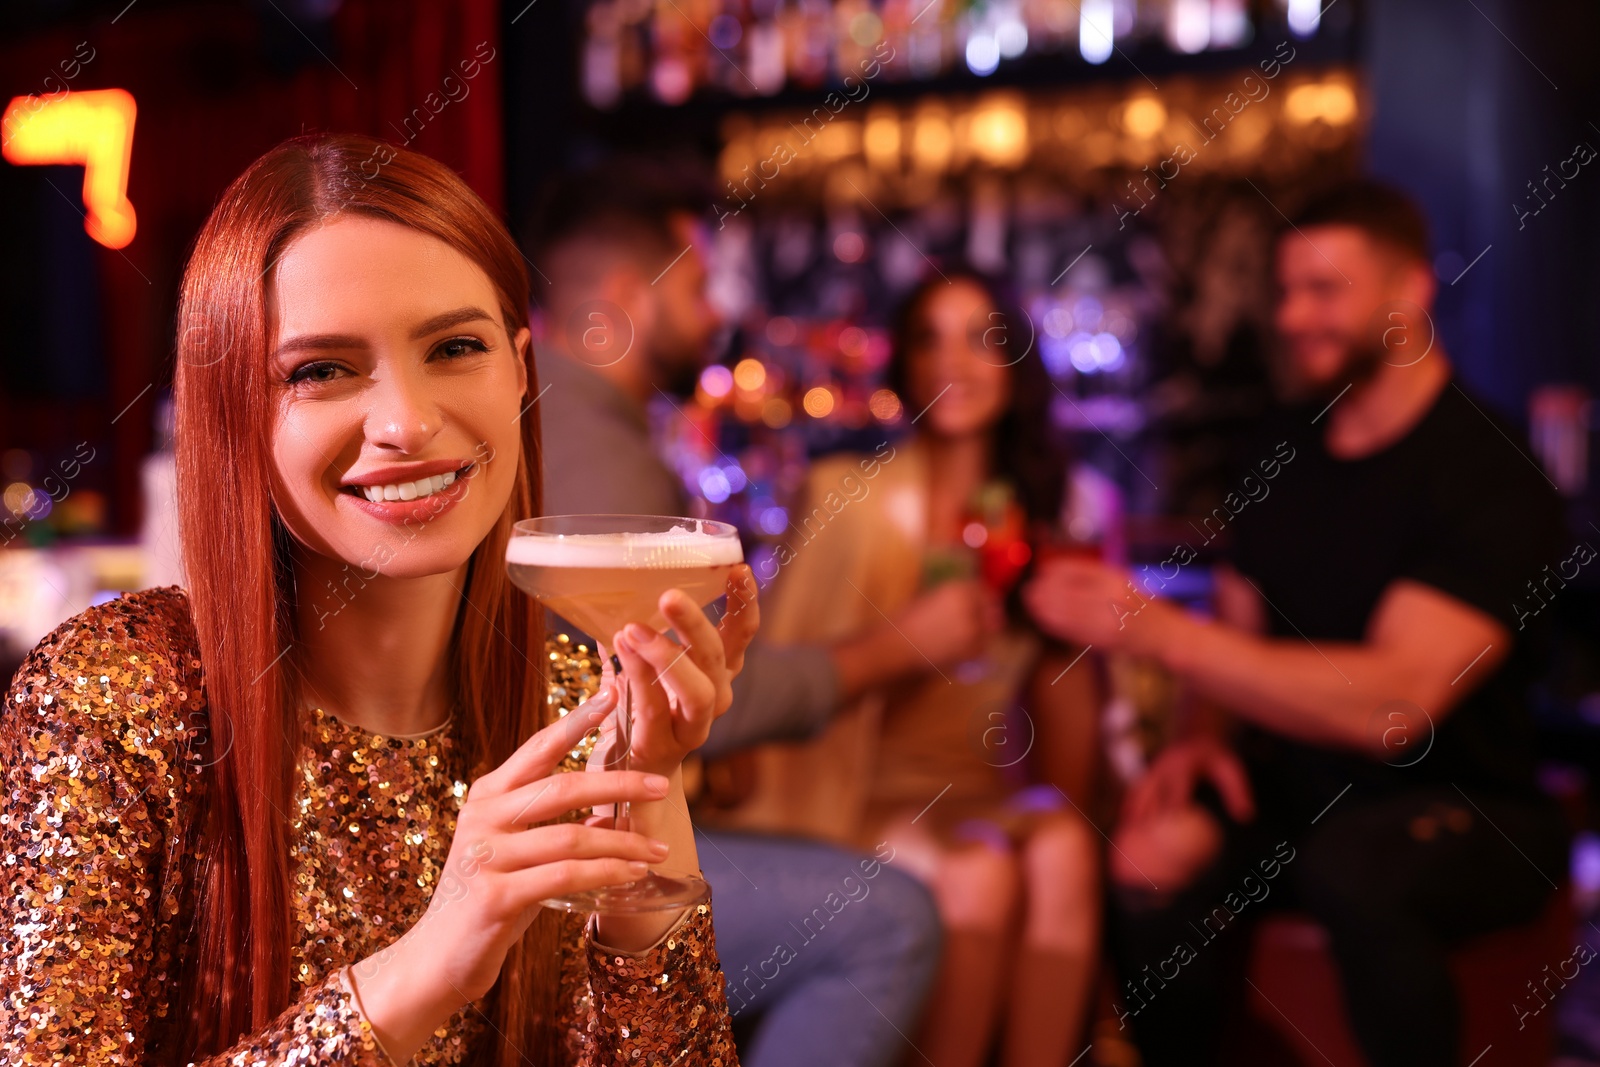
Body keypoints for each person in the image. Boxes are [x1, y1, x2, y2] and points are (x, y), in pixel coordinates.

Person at [0, 133, 759, 1066]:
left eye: (454, 347)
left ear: (521, 369)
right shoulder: (115, 695)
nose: (406, 421)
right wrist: (426, 966)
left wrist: (652, 795)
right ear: (232, 404)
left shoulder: (567, 695)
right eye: (321, 370)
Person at [1022, 179, 1571, 1066]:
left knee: (1355, 867)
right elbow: (1243, 626)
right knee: (1150, 852)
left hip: (1471, 808)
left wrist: (1159, 632)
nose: (1294, 315)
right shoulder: (1282, 442)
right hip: (1298, 793)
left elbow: (1394, 707)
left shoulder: (1487, 470)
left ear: (1409, 293)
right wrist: (1204, 736)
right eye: (1286, 290)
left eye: (1326, 289)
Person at [527, 167, 945, 1067]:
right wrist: (898, 650)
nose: (716, 310)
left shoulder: (575, 419)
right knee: (891, 918)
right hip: (563, 849)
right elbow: (685, 692)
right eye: (697, 285)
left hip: (569, 819)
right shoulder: (596, 457)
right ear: (629, 299)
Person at [726, 271, 1105, 1067]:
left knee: (1066, 843)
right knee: (982, 876)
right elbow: (778, 667)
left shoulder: (1026, 513)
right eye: (930, 337)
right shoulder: (845, 495)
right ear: (905, 361)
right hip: (853, 786)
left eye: (981, 337)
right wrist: (910, 639)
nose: (953, 362)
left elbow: (1062, 708)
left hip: (969, 786)